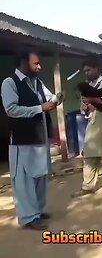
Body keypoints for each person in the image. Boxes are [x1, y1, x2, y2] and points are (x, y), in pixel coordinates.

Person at [1, 50, 63, 230]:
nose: (39, 67)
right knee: (24, 180)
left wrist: (57, 99)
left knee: (41, 176)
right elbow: (11, 109)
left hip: (40, 138)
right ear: (23, 63)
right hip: (22, 141)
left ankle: (38, 210)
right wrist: (40, 108)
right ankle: (29, 217)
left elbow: (49, 98)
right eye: (35, 64)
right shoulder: (10, 83)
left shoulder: (37, 82)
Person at [72, 59, 102, 198]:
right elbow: (84, 108)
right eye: (85, 71)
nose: (87, 73)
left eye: (89, 70)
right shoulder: (86, 86)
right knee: (89, 156)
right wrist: (85, 107)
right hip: (92, 121)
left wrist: (97, 101)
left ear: (96, 69)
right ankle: (87, 187)